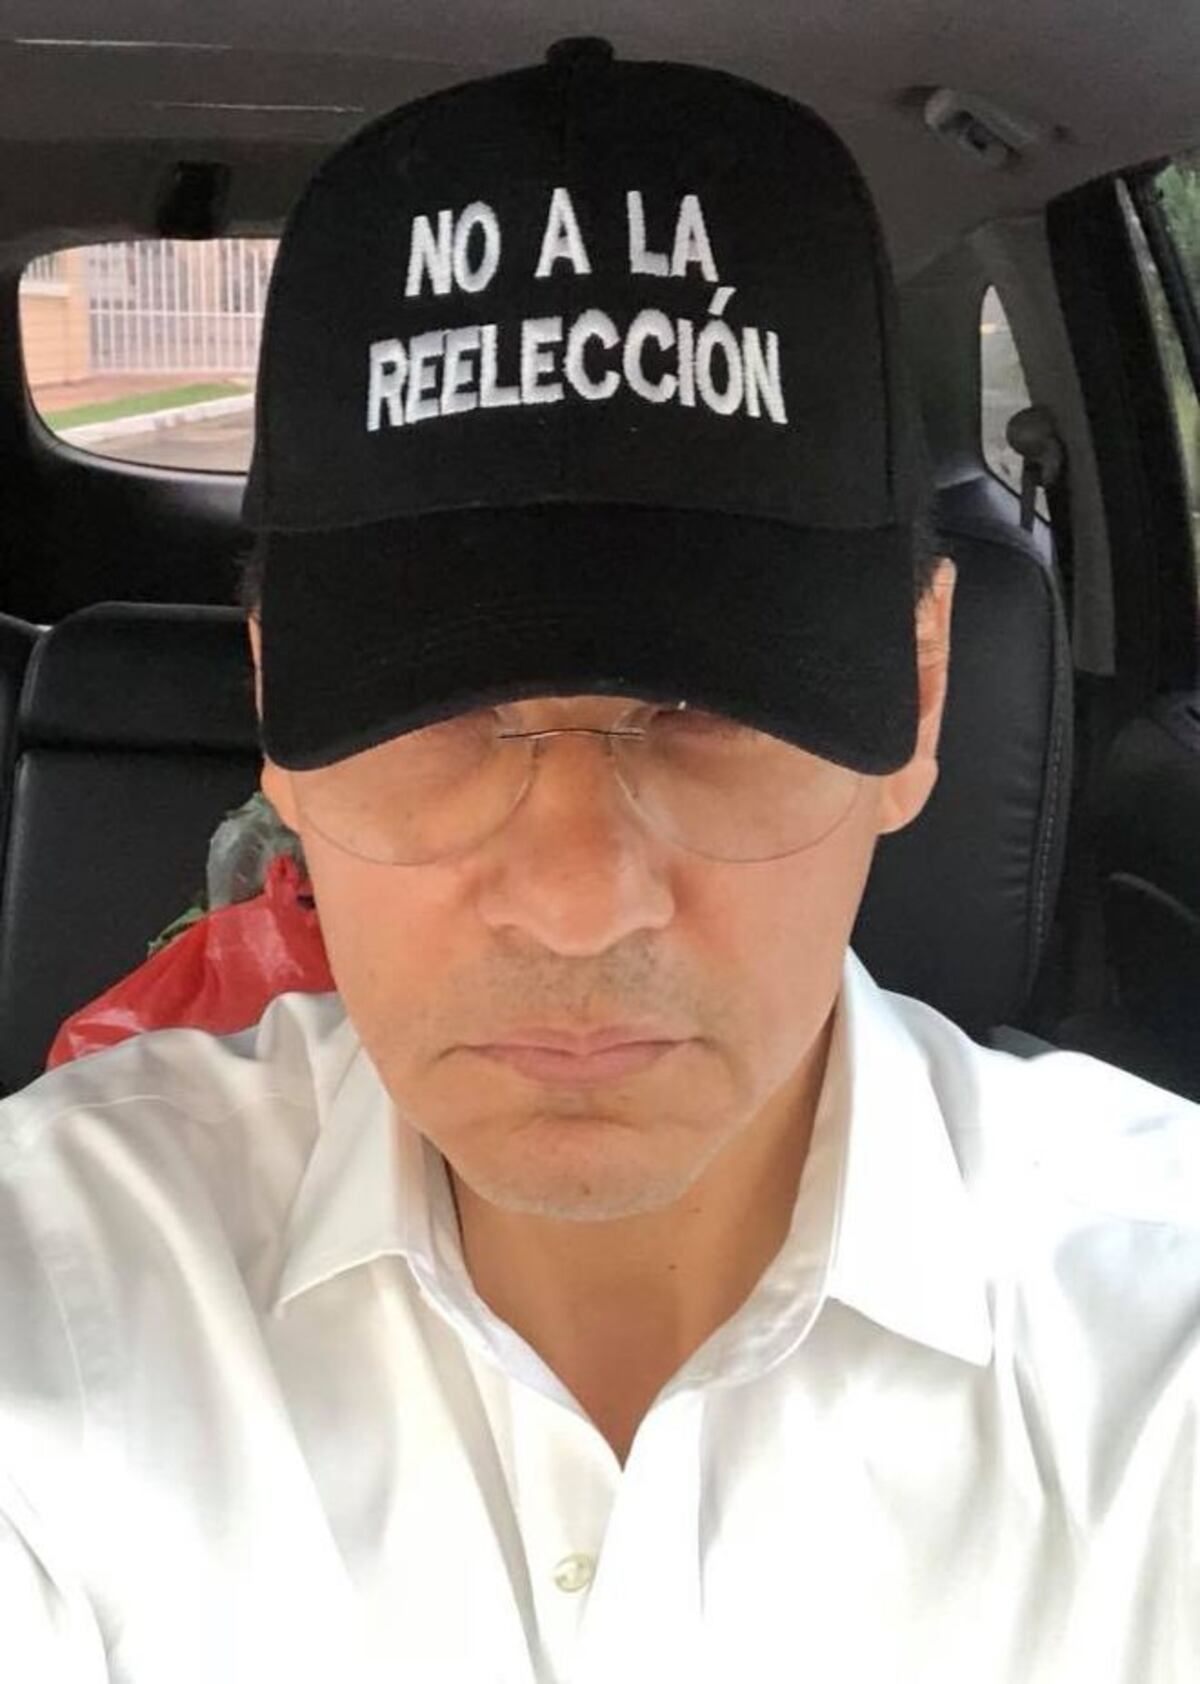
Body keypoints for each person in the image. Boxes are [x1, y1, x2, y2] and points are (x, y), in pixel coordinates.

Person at [2, 36, 1199, 1684]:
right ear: (277, 715)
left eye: (709, 711)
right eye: (440, 712)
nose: (576, 903)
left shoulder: (1156, 1331)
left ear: (920, 697)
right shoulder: (61, 1294)